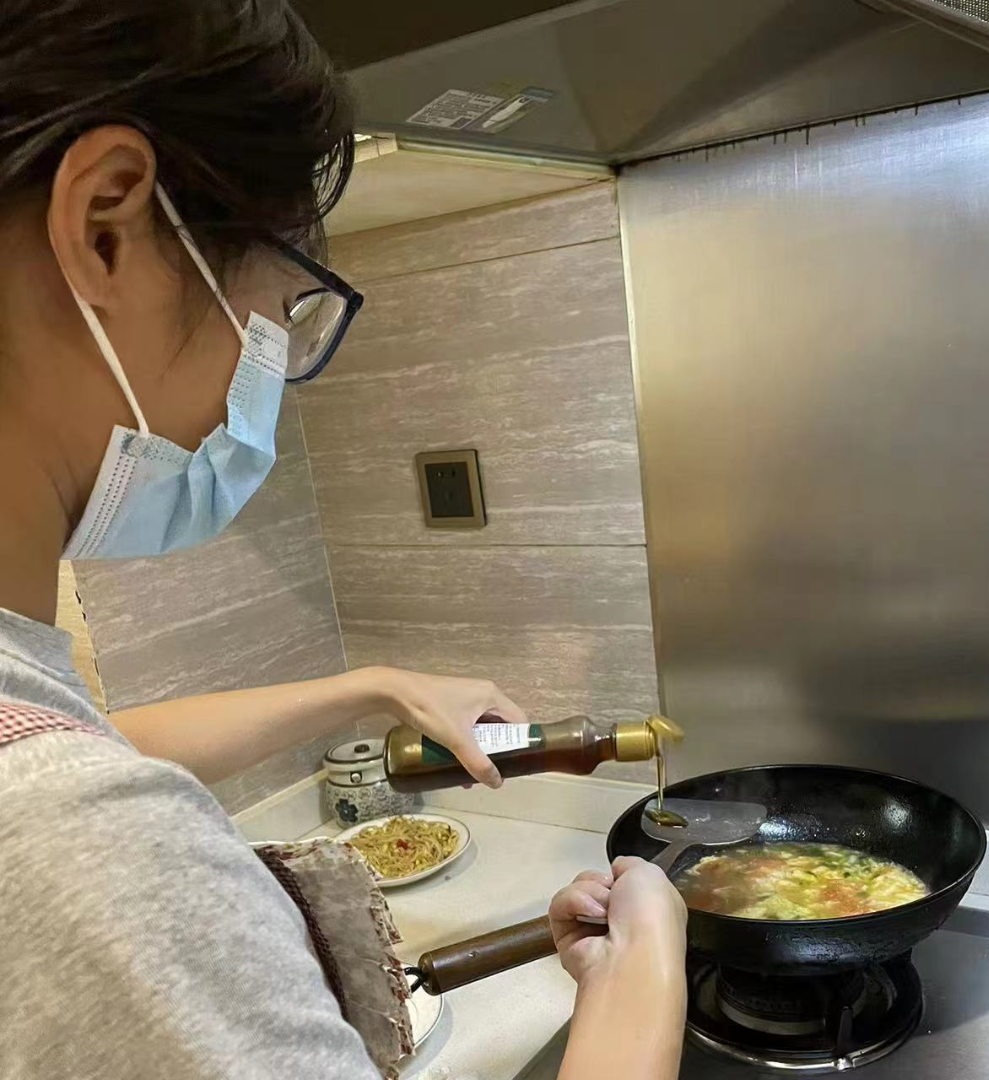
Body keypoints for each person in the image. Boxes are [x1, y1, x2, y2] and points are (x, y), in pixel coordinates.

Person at [0, 2, 688, 1078]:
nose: (269, 382)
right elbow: (73, 797)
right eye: (281, 311)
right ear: (106, 227)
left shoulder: (46, 768)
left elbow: (87, 743)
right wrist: (641, 988)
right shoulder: (92, 851)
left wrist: (372, 683)